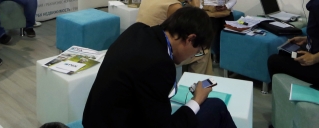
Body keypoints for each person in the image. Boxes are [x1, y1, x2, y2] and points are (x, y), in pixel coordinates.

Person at [83, 7, 237, 128]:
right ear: (190, 39)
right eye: (197, 51)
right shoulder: (160, 64)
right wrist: (196, 100)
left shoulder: (137, 30)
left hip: (96, 121)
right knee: (217, 107)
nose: (193, 56)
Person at [137, 0, 212, 74]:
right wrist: (196, 9)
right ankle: (197, 82)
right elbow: (193, 32)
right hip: (159, 54)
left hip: (140, 45)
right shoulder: (174, 6)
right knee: (203, 50)